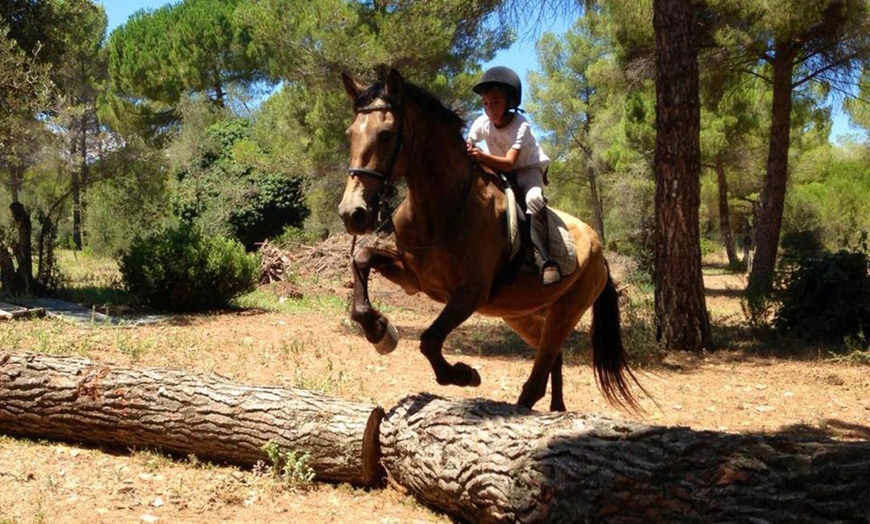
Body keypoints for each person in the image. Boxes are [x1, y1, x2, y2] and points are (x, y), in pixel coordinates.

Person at [465, 66, 561, 285]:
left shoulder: (521, 125)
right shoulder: (482, 123)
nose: (489, 109)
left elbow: (509, 163)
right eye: (485, 103)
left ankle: (545, 259)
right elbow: (468, 143)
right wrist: (466, 149)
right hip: (497, 169)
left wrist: (479, 155)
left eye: (496, 102)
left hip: (527, 170)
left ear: (509, 102)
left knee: (534, 199)